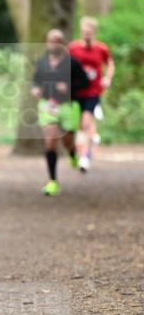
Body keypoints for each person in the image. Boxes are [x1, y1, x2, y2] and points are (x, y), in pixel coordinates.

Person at [31, 29, 90, 196]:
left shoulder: (72, 62)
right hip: (47, 105)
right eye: (51, 40)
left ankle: (72, 153)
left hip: (67, 105)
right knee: (49, 141)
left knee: (67, 141)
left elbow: (85, 82)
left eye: (57, 41)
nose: (54, 44)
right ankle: (52, 181)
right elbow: (36, 80)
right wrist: (35, 89)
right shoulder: (42, 62)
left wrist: (69, 87)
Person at [68, 16, 114, 172]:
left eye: (89, 32)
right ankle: (84, 144)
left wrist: (107, 78)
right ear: (81, 32)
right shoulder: (73, 48)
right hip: (76, 91)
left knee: (86, 122)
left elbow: (110, 63)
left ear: (94, 32)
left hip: (93, 91)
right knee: (79, 125)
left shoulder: (101, 48)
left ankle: (85, 157)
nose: (86, 34)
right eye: (84, 31)